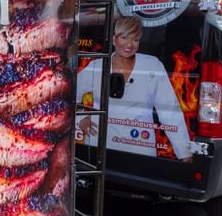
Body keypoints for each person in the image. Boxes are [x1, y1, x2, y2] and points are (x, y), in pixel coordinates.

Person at [77, 15, 193, 160]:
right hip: (100, 146)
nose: (129, 44)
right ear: (114, 39)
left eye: (135, 39)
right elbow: (68, 94)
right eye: (124, 37)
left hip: (139, 147)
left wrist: (185, 152)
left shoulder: (152, 65)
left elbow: (169, 111)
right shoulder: (97, 66)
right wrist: (79, 118)